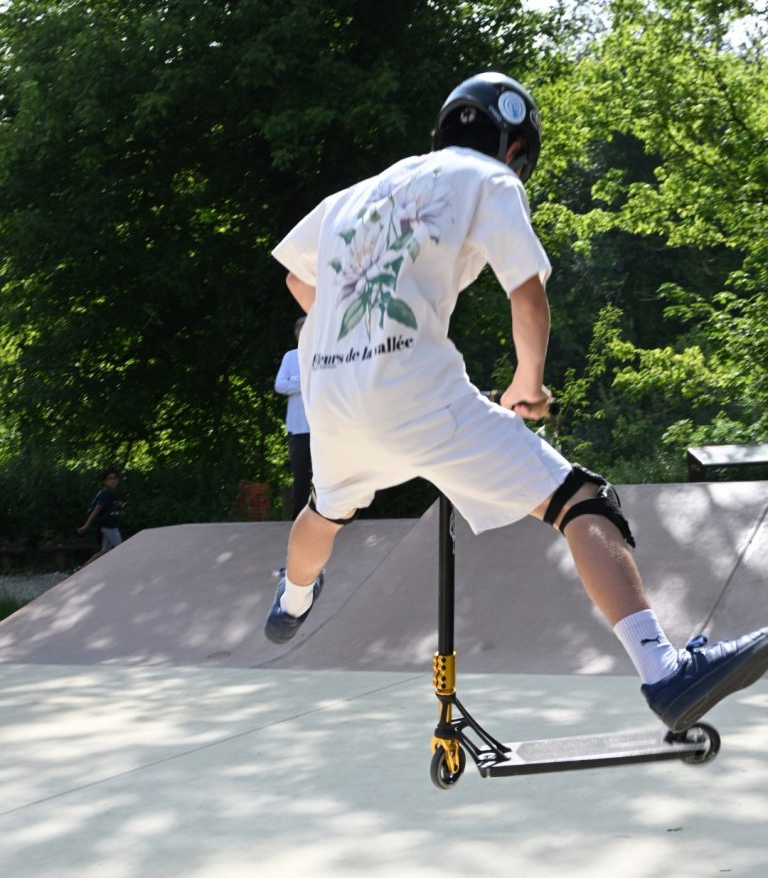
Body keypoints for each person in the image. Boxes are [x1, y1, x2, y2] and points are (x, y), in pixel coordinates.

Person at [263, 71, 768, 734]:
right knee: (580, 502)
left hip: (330, 390)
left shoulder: (358, 195)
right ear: (514, 150)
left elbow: (298, 275)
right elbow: (526, 295)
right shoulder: (488, 179)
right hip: (415, 390)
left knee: (325, 510)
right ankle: (664, 673)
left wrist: (346, 331)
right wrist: (528, 382)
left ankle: (293, 599)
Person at [275, 316, 312, 519]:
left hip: (321, 428)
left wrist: (297, 385)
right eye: (302, 331)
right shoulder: (290, 357)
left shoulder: (323, 356)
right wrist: (302, 386)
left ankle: (327, 517)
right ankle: (299, 518)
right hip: (297, 428)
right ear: (297, 335)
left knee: (325, 476)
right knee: (300, 476)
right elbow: (279, 385)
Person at [77, 468, 125, 566]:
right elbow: (96, 509)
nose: (113, 480)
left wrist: (120, 505)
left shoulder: (112, 494)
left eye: (115, 478)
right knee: (122, 548)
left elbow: (114, 507)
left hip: (109, 525)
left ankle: (82, 568)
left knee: (104, 551)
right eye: (110, 478)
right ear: (104, 482)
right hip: (108, 526)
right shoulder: (107, 493)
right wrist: (86, 526)